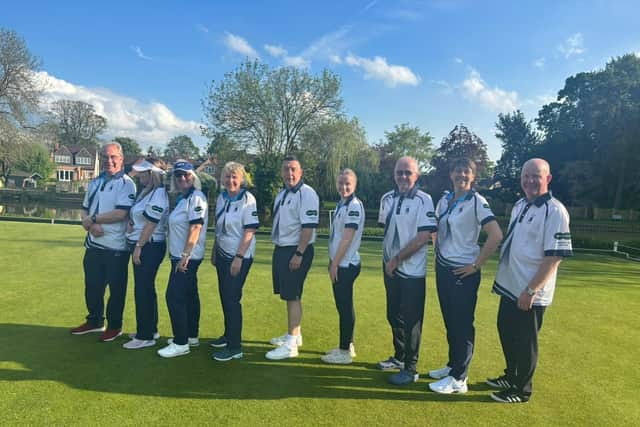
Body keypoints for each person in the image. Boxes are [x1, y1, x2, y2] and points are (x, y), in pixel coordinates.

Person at [488, 158, 572, 403]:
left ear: (548, 179)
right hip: (510, 285)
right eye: (526, 176)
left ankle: (520, 390)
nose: (530, 181)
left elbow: (555, 256)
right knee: (506, 330)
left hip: (530, 291)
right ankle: (511, 374)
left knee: (525, 341)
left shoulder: (555, 210)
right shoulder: (520, 204)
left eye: (536, 176)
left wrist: (531, 289)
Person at [427, 158, 503, 394]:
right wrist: (437, 247)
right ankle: (452, 365)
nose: (461, 175)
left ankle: (460, 378)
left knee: (462, 324)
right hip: (443, 268)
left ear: (473, 176)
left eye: (466, 172)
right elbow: (436, 228)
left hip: (463, 271)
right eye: (458, 171)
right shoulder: (445, 199)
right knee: (450, 322)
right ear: (451, 174)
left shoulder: (477, 201)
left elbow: (496, 235)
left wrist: (476, 265)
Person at [377, 156, 437, 385]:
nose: (403, 176)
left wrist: (397, 259)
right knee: (393, 315)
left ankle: (411, 369)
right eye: (399, 172)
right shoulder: (387, 198)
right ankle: (400, 357)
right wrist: (388, 261)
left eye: (408, 173)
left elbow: (423, 238)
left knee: (412, 321)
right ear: (394, 174)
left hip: (411, 271)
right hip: (390, 268)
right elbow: (386, 231)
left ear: (417, 175)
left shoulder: (424, 200)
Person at [71, 142, 136, 342]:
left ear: (121, 159)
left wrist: (94, 220)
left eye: (113, 157)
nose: (109, 161)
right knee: (92, 286)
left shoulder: (127, 183)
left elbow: (121, 213)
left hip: (116, 247)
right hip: (93, 244)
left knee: (116, 290)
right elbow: (84, 209)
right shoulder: (95, 181)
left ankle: (114, 326)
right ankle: (95, 321)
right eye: (106, 157)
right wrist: (90, 224)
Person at [266, 155, 319, 360]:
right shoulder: (282, 193)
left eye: (293, 169)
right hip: (282, 249)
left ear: (300, 172)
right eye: (286, 169)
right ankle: (295, 335)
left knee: (292, 295)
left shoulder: (307, 194)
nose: (289, 173)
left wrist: (299, 253)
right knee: (288, 294)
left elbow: (308, 227)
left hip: (296, 250)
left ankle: (291, 344)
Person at [157, 161, 208, 358]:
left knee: (174, 296)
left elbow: (196, 228)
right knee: (189, 295)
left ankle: (180, 343)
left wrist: (185, 255)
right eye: (178, 176)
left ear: (192, 177)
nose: (182, 179)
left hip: (187, 257)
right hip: (179, 255)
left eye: (186, 175)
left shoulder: (196, 197)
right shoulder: (182, 198)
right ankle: (191, 336)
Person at [209, 162, 259, 361]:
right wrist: (214, 249)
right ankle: (228, 334)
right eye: (228, 177)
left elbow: (250, 231)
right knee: (224, 295)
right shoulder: (222, 198)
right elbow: (219, 226)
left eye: (234, 177)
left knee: (232, 299)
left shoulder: (248, 199)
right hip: (222, 253)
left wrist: (238, 257)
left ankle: (235, 347)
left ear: (241, 179)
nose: (231, 181)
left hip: (239, 256)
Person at [122, 158, 169, 350]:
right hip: (144, 243)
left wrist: (139, 246)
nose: (139, 175)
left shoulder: (158, 193)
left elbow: (152, 223)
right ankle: (151, 329)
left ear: (152, 174)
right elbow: (139, 217)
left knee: (143, 289)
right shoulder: (146, 192)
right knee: (145, 288)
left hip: (149, 246)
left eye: (143, 172)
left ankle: (145, 335)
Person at [321, 169, 365, 365]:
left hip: (345, 264)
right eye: (341, 183)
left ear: (354, 185)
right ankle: (348, 344)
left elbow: (347, 237)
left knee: (345, 307)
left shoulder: (353, 206)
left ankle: (344, 351)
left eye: (347, 184)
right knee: (343, 306)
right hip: (341, 262)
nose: (344, 187)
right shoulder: (342, 203)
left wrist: (335, 263)